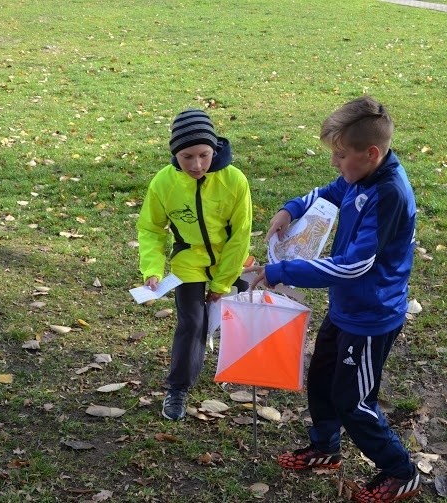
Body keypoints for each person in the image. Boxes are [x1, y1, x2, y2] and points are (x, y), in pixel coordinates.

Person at [246, 96, 420, 502]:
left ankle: (400, 469)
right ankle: (325, 448)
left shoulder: (389, 192)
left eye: (341, 155)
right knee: (322, 380)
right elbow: (327, 192)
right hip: (346, 309)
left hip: (371, 316)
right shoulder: (360, 177)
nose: (335, 163)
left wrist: (281, 271)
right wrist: (290, 210)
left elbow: (354, 266)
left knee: (353, 399)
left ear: (372, 153)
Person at [138, 108, 252, 421]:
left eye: (204, 155)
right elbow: (150, 228)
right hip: (188, 261)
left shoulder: (234, 181)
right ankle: (177, 389)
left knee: (232, 317)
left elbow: (240, 235)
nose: (197, 165)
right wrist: (152, 269)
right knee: (191, 323)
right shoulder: (164, 183)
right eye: (187, 157)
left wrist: (221, 284)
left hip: (229, 260)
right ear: (175, 154)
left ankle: (233, 369)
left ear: (214, 149)